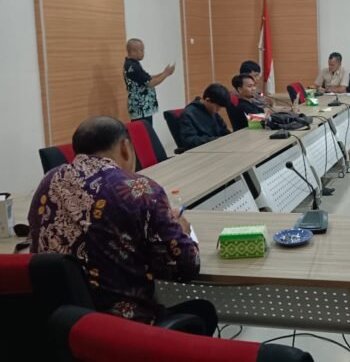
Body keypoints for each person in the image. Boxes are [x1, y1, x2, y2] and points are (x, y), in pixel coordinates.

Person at [28, 116, 217, 333]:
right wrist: (182, 231)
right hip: (122, 329)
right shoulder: (139, 189)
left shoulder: (48, 181)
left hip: (62, 324)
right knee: (204, 311)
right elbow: (187, 266)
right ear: (125, 147)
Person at [123, 38, 175, 125]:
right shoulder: (132, 67)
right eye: (141, 50)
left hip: (143, 108)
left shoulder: (133, 64)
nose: (143, 53)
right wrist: (166, 74)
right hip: (140, 108)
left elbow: (147, 77)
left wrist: (163, 73)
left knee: (146, 131)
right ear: (133, 51)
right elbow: (150, 83)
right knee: (144, 131)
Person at [180, 83, 231, 150]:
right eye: (217, 107)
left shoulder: (212, 111)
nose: (218, 110)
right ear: (207, 100)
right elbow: (189, 140)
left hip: (217, 147)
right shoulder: (188, 114)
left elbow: (223, 130)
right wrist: (215, 139)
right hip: (203, 151)